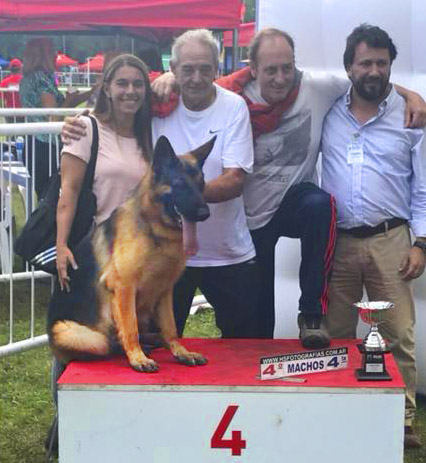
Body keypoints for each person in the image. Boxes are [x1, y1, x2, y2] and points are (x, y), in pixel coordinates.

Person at [151, 27, 426, 349]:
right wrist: (168, 78)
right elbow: (188, 81)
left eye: (287, 68)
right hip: (251, 217)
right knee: (258, 331)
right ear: (253, 70)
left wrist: (410, 95)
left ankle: (311, 315)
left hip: (292, 203)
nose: (281, 78)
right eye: (271, 70)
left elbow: (367, 78)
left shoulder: (316, 87)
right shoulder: (234, 95)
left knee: (320, 205)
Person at [61, 29, 260, 340]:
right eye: (188, 69)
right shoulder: (156, 106)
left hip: (226, 251)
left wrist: (185, 197)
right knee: (159, 349)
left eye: (205, 68)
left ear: (217, 68)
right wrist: (81, 122)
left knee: (246, 345)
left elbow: (235, 180)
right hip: (160, 253)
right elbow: (116, 114)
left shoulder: (234, 107)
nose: (196, 78)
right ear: (174, 68)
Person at [320, 24, 426, 448]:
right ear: (349, 67)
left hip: (392, 240)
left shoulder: (411, 117)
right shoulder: (328, 108)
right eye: (365, 63)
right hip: (338, 241)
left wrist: (421, 243)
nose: (374, 71)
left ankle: (401, 419)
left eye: (382, 63)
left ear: (391, 66)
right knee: (335, 332)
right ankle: (333, 411)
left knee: (397, 334)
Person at [46, 53, 153, 458]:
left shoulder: (146, 134)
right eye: (122, 83)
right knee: (74, 343)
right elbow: (68, 193)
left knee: (115, 343)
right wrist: (61, 246)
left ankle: (113, 436)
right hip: (87, 255)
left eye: (138, 84)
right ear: (106, 86)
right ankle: (63, 429)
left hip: (128, 260)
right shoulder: (86, 128)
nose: (130, 91)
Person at [19, 37, 96, 200]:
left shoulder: (28, 78)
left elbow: (61, 106)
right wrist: (70, 100)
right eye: (52, 51)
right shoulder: (41, 78)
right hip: (46, 146)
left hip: (34, 143)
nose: (55, 55)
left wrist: (90, 93)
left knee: (45, 195)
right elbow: (54, 116)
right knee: (52, 196)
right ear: (43, 54)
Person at [0, 58, 23, 123]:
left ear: (9, 69)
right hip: (23, 111)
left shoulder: (4, 82)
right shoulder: (24, 81)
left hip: (10, 112)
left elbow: (1, 98)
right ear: (20, 68)